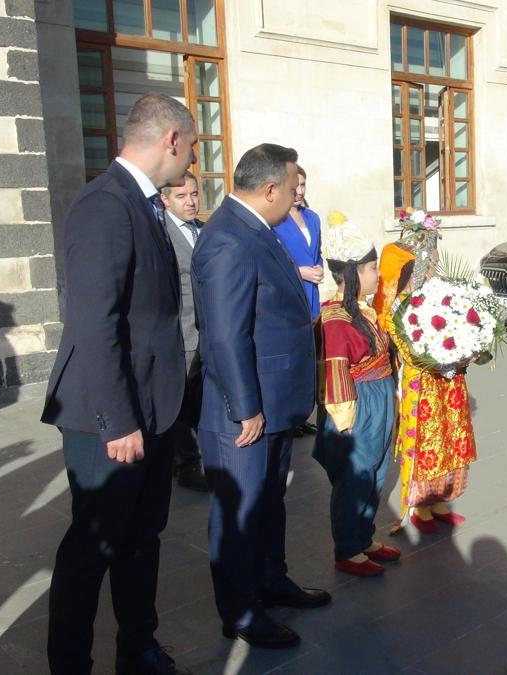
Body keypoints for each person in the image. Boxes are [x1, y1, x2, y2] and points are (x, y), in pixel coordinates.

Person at [41, 93, 196, 675]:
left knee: (142, 536)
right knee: (94, 547)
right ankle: (70, 664)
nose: (192, 160)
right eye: (192, 146)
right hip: (108, 417)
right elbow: (93, 321)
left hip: (151, 406)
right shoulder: (105, 203)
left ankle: (137, 646)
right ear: (172, 140)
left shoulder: (145, 202)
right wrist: (119, 420)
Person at [193, 143, 329, 650]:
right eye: (293, 188)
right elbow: (225, 334)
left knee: (270, 501)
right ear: (270, 188)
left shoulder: (256, 227)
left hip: (273, 402)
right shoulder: (228, 237)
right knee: (241, 512)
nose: (298, 196)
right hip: (245, 409)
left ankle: (271, 580)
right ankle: (242, 612)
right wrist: (246, 406)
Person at [373, 214, 475, 533]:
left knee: (450, 437)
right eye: (425, 257)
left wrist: (465, 346)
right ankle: (419, 505)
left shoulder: (438, 293)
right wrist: (437, 358)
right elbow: (404, 343)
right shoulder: (398, 304)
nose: (430, 263)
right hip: (422, 380)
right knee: (428, 439)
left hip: (450, 380)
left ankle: (440, 498)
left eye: (432, 256)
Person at [312, 214, 400, 577]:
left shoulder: (363, 310)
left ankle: (364, 538)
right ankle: (348, 549)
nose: (377, 275)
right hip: (357, 405)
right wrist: (344, 425)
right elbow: (335, 372)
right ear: (352, 273)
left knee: (375, 472)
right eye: (372, 269)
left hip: (378, 397)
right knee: (355, 477)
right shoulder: (336, 318)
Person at [161, 172, 208, 492]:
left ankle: (199, 457)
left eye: (194, 194)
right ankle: (186, 462)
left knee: (200, 398)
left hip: (207, 331)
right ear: (165, 200)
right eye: (181, 196)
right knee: (180, 401)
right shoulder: (161, 235)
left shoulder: (203, 230)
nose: (190, 202)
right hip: (182, 332)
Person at [273, 165, 323, 437]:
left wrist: (319, 268)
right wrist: (299, 272)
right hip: (290, 293)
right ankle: (288, 417)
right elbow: (272, 261)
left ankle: (303, 413)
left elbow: (318, 252)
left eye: (303, 185)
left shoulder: (312, 218)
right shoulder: (276, 221)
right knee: (291, 356)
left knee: (308, 356)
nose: (300, 191)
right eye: (295, 186)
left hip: (312, 293)